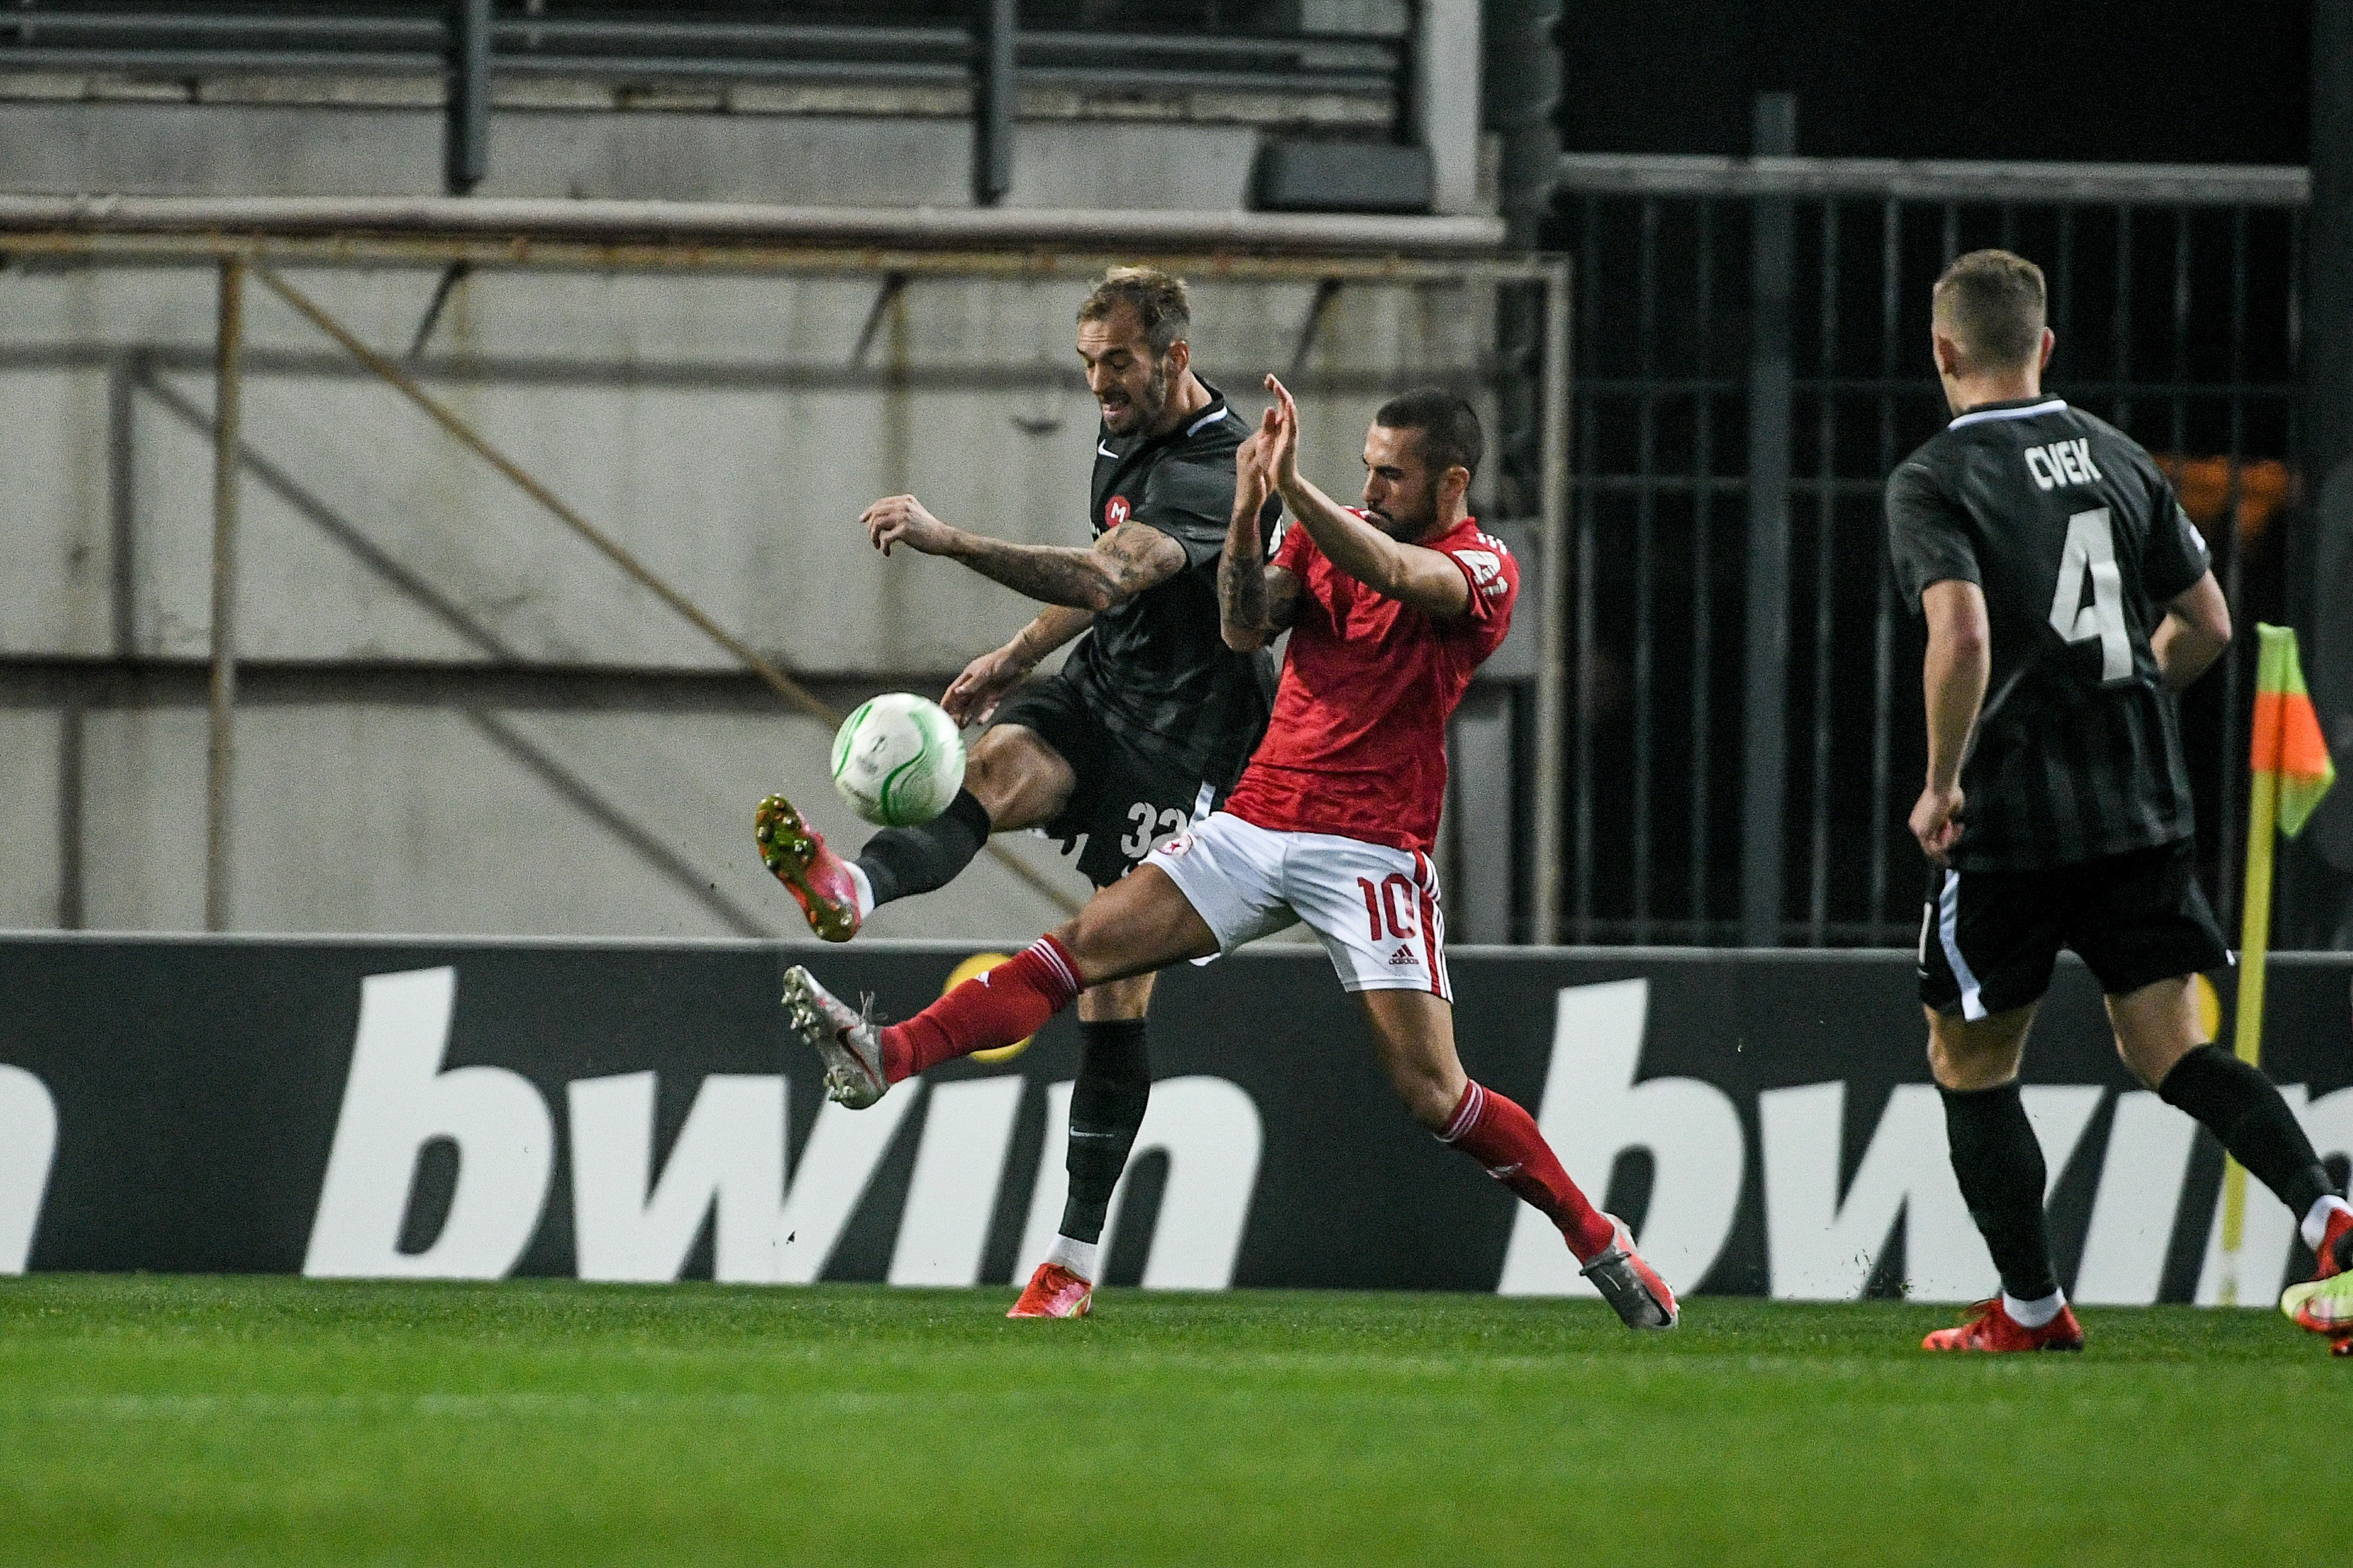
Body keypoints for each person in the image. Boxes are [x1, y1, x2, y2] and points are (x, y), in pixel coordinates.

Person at [780, 375, 1679, 1331]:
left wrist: (1292, 489)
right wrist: (1250, 513)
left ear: (1452, 483)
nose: (1371, 488)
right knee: (1077, 950)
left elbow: (1394, 572)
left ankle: (1596, 1238)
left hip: (1371, 853)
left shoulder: (1484, 566)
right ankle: (888, 1053)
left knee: (1436, 1095)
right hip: (1258, 821)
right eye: (1366, 468)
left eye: (1392, 475)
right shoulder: (1328, 531)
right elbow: (1246, 623)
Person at [755, 267, 1276, 1319]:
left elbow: (1105, 574)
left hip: (1187, 748)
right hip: (1101, 691)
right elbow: (1100, 583)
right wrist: (1014, 655)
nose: (1100, 383)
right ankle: (854, 888)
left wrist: (947, 540)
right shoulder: (1127, 430)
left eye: (1118, 362)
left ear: (1174, 356)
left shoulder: (1215, 467)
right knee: (988, 769)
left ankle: (1071, 1262)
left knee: (1112, 982)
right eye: (1088, 363)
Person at [1886, 248, 2353, 1352]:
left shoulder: (1935, 478)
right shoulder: (2118, 454)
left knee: (1970, 1058)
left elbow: (1962, 634)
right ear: (2045, 346)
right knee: (2172, 1047)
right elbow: (2208, 625)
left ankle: (2032, 1308)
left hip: (2013, 817)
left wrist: (1942, 781)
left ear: (1944, 350)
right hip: (2140, 804)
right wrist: (2119, 696)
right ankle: (2331, 1216)